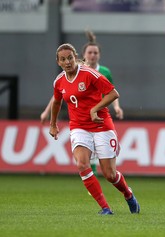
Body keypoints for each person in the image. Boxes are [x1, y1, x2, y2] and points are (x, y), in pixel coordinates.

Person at [49, 43, 140, 215]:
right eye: (63, 59)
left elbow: (114, 93)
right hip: (79, 127)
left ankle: (128, 195)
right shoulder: (59, 81)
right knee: (82, 164)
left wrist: (94, 109)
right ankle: (105, 208)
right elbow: (56, 101)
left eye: (70, 58)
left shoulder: (89, 74)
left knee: (109, 174)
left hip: (101, 124)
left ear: (75, 57)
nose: (67, 62)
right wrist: (53, 124)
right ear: (58, 62)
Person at [41, 30, 124, 175]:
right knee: (83, 161)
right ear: (84, 55)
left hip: (99, 119)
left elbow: (111, 92)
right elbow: (59, 96)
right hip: (79, 123)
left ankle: (123, 190)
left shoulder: (103, 72)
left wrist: (116, 107)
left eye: (95, 53)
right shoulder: (66, 76)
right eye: (90, 53)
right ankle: (93, 184)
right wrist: (48, 114)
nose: (92, 55)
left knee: (110, 174)